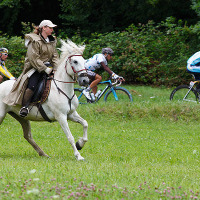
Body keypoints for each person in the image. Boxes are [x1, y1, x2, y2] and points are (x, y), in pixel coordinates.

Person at [3, 20, 59, 117]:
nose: (52, 29)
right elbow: (34, 58)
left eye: (52, 28)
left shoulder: (52, 40)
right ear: (44, 28)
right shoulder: (34, 41)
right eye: (50, 28)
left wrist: (56, 68)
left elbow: (55, 56)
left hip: (49, 67)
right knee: (32, 85)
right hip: (35, 68)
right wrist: (45, 69)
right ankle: (24, 107)